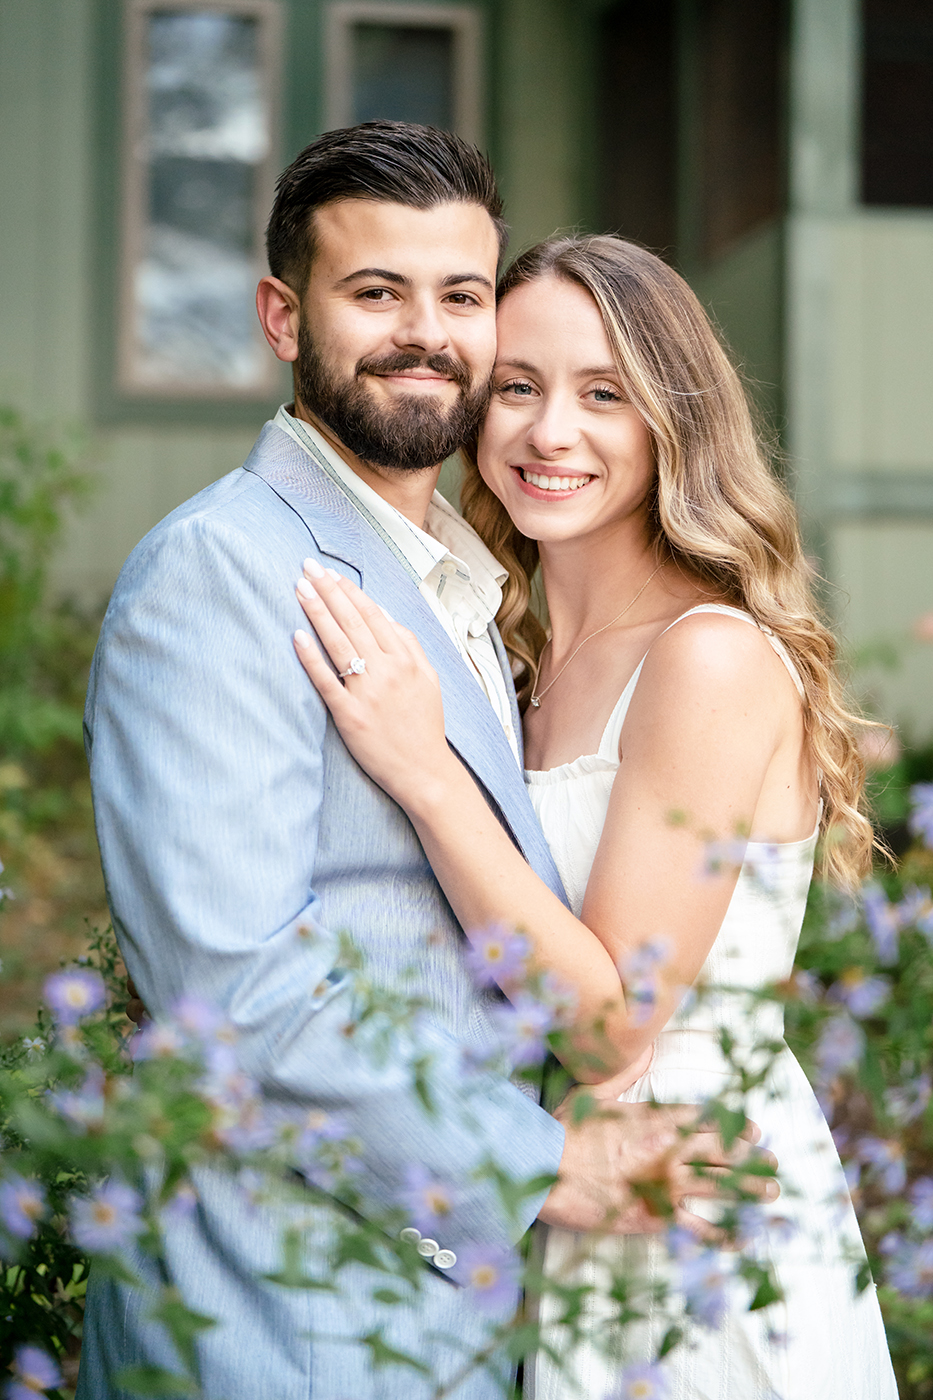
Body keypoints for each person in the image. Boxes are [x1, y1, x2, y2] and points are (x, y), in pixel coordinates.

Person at [79, 126, 765, 1400]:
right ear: (284, 316)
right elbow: (234, 989)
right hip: (283, 1317)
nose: (426, 332)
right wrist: (538, 1164)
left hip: (458, 1314)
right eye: (375, 292)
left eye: (460, 295)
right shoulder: (219, 572)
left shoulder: (470, 589)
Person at [292, 235, 899, 1398]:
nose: (547, 431)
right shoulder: (509, 664)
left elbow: (612, 1022)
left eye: (603, 394)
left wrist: (429, 774)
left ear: (673, 421)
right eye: (516, 386)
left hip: (695, 1207)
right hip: (570, 1191)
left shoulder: (705, 657)